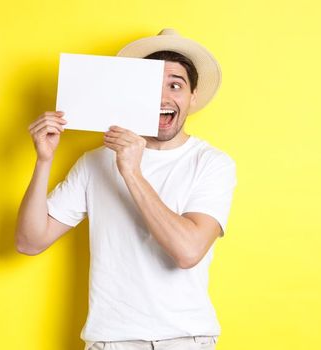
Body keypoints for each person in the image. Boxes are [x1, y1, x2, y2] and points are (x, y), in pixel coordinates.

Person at [15, 28, 236, 350]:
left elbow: (187, 252)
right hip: (111, 341)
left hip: (185, 340)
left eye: (175, 85)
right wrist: (44, 160)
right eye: (151, 87)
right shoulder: (94, 162)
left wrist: (131, 171)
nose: (163, 97)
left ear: (193, 96)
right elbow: (30, 241)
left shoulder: (212, 163)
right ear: (131, 94)